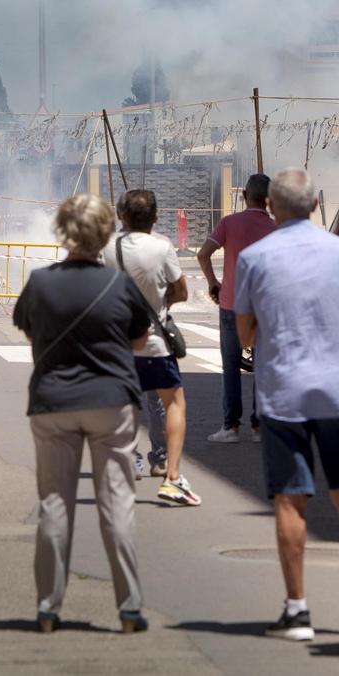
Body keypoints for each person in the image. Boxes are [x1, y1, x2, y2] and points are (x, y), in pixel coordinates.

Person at [234, 168, 339, 642]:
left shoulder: (255, 257)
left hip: (283, 393)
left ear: (272, 208)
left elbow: (246, 333)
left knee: (290, 499)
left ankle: (297, 610)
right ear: (318, 203)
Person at [13, 193, 150, 635]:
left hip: (53, 401)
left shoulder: (40, 283)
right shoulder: (119, 284)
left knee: (54, 503)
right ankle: (129, 609)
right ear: (106, 232)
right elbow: (138, 342)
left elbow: (31, 332)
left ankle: (48, 608)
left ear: (62, 230)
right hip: (111, 401)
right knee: (117, 505)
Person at [102, 189, 200, 506]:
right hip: (155, 341)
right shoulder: (162, 247)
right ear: (156, 217)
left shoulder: (109, 248)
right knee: (170, 403)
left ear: (121, 215)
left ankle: (131, 461)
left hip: (119, 342)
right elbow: (181, 291)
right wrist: (161, 302)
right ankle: (169, 472)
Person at [198, 173, 275, 443]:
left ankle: (230, 426)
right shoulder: (275, 228)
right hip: (263, 306)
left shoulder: (229, 223)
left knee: (230, 365)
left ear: (244, 196)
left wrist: (213, 282)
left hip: (231, 303)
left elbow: (203, 253)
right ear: (269, 200)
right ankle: (259, 426)